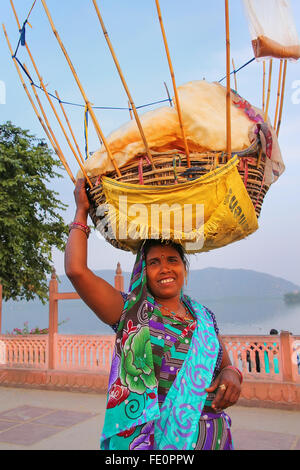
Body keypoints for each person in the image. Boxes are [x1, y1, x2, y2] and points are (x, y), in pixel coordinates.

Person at [65, 178, 243, 451]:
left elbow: (225, 364)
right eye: (154, 262)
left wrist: (232, 375)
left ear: (184, 266)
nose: (165, 269)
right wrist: (80, 211)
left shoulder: (204, 317)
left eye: (172, 260)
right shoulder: (130, 313)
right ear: (142, 271)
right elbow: (76, 271)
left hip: (213, 439)